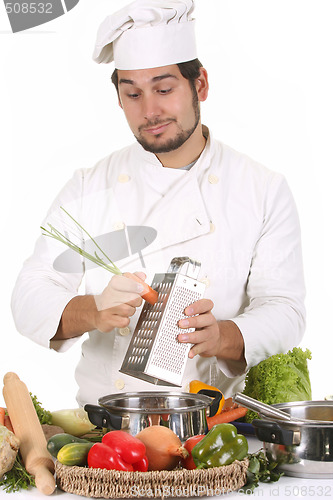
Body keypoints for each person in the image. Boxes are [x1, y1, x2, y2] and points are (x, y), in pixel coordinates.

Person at [11, 0, 306, 406]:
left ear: (199, 84)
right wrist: (92, 309)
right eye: (132, 94)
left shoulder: (262, 188)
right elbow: (29, 294)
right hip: (104, 435)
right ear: (118, 98)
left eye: (164, 90)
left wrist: (223, 336)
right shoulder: (89, 186)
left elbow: (285, 308)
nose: (149, 111)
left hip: (210, 432)